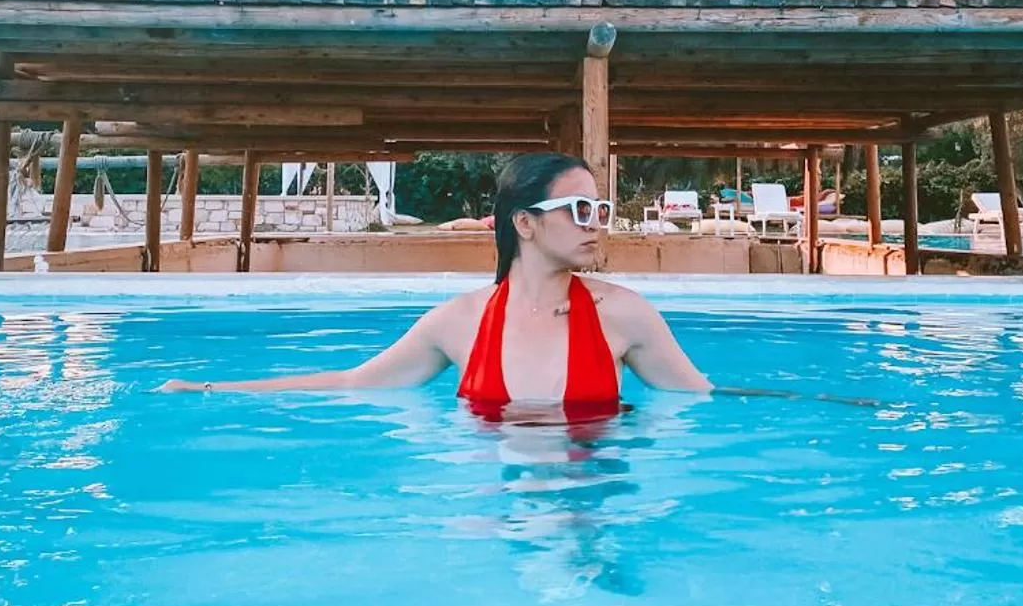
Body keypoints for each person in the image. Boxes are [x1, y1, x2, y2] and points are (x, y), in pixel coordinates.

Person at [161, 154, 711, 414]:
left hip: (597, 500)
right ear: (524, 223)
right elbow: (353, 382)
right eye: (580, 209)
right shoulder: (459, 321)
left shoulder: (625, 315)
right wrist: (211, 389)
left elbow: (702, 400)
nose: (596, 223)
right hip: (495, 508)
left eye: (601, 209)